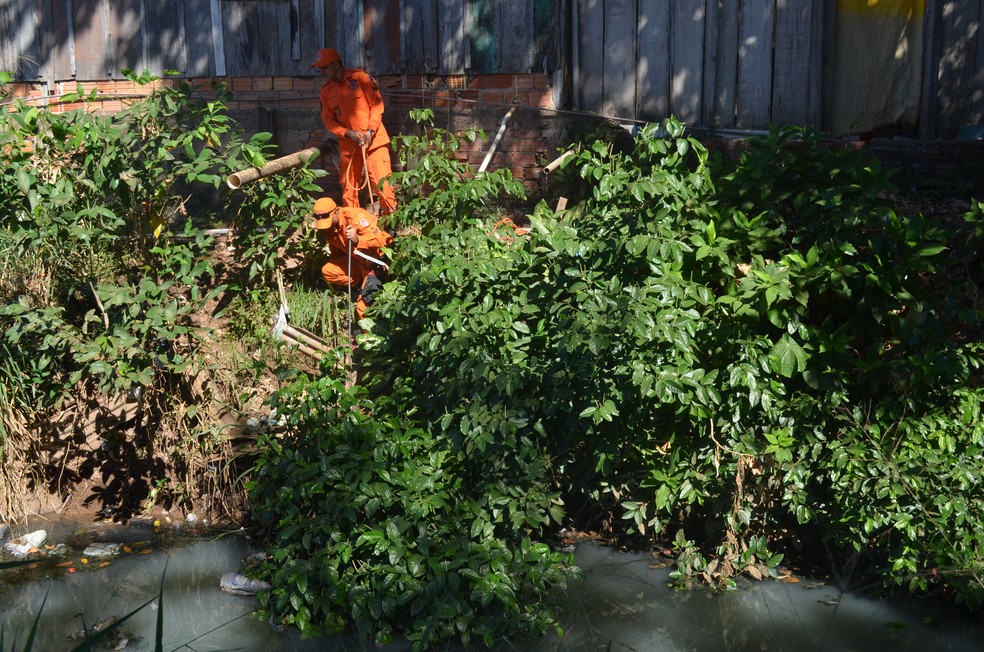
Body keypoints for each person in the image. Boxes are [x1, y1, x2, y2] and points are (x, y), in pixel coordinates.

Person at [310, 47, 397, 217]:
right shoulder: (325, 92)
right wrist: (348, 133)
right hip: (349, 145)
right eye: (320, 69)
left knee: (385, 188)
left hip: (374, 141)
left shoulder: (360, 78)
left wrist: (370, 132)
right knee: (349, 192)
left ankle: (389, 231)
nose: (321, 72)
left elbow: (377, 106)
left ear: (335, 65)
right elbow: (328, 121)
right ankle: (355, 229)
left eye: (324, 68)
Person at [312, 196, 393, 321]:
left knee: (363, 308)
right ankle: (359, 287)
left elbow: (385, 239)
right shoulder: (329, 228)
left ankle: (367, 338)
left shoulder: (356, 217)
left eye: (329, 220)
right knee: (329, 271)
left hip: (375, 262)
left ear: (337, 211)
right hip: (357, 262)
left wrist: (358, 240)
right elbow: (336, 252)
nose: (327, 226)